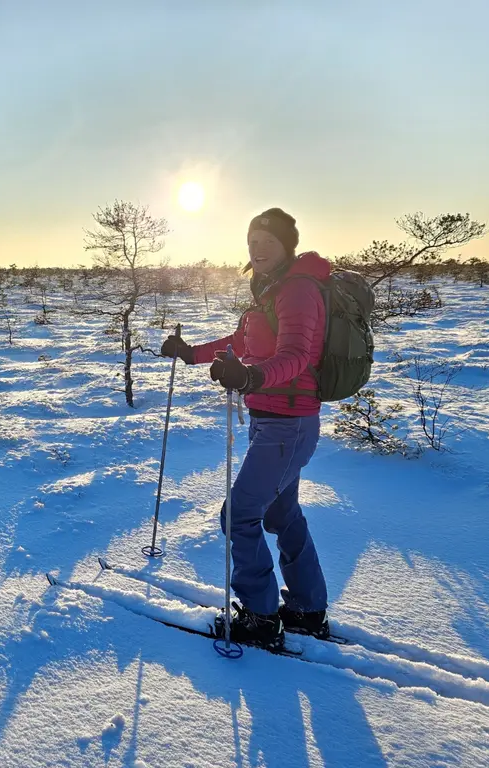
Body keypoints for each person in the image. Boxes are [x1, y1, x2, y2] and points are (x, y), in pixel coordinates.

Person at [161, 207, 330, 650]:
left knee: (238, 515)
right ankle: (308, 610)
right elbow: (239, 344)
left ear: (286, 246)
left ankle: (259, 616)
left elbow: (296, 356)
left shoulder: (296, 291)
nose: (257, 250)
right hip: (272, 422)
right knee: (280, 513)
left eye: (266, 243)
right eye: (252, 242)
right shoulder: (270, 290)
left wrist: (252, 378)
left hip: (288, 425)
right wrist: (190, 352)